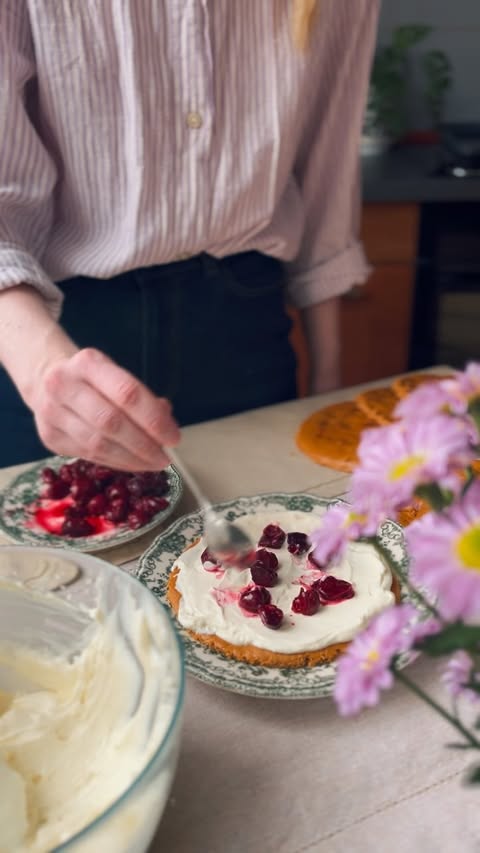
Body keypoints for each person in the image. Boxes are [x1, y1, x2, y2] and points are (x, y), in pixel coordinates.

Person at [0, 0, 379, 470]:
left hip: (244, 326)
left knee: (262, 536)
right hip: (51, 333)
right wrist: (41, 369)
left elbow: (328, 169)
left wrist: (329, 381)